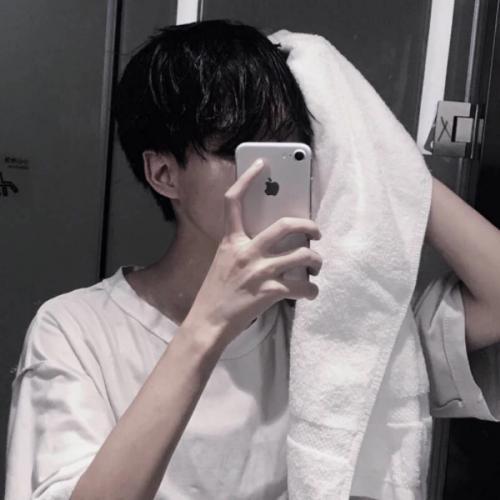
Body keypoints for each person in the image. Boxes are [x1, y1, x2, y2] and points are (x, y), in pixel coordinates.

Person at [5, 19, 500, 500]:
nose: (271, 172)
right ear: (163, 174)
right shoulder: (75, 329)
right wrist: (210, 324)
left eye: (291, 148)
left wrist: (377, 155)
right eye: (242, 150)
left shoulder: (331, 328)